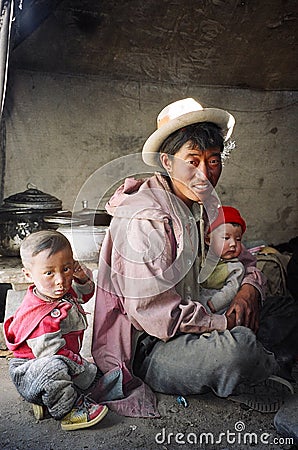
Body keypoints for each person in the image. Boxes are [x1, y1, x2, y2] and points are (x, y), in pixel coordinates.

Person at [91, 98, 295, 418]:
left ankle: (260, 359)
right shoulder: (145, 219)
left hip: (197, 312)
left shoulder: (195, 205)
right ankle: (261, 364)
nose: (204, 173)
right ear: (167, 163)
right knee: (236, 350)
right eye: (192, 160)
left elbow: (243, 259)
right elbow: (154, 315)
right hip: (152, 347)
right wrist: (221, 323)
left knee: (284, 306)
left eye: (213, 161)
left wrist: (248, 290)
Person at [4, 230, 108, 431]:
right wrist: (86, 371)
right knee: (58, 368)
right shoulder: (39, 316)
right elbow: (54, 354)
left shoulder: (59, 293)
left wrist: (81, 278)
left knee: (91, 373)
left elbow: (84, 294)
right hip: (31, 373)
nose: (61, 279)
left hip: (56, 362)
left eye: (66, 268)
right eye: (49, 273)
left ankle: (46, 400)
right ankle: (67, 411)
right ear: (28, 275)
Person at [200, 205, 246, 314]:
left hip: (218, 307)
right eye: (226, 238)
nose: (233, 244)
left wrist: (213, 305)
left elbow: (231, 290)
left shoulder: (236, 268)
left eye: (238, 239)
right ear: (208, 240)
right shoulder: (201, 259)